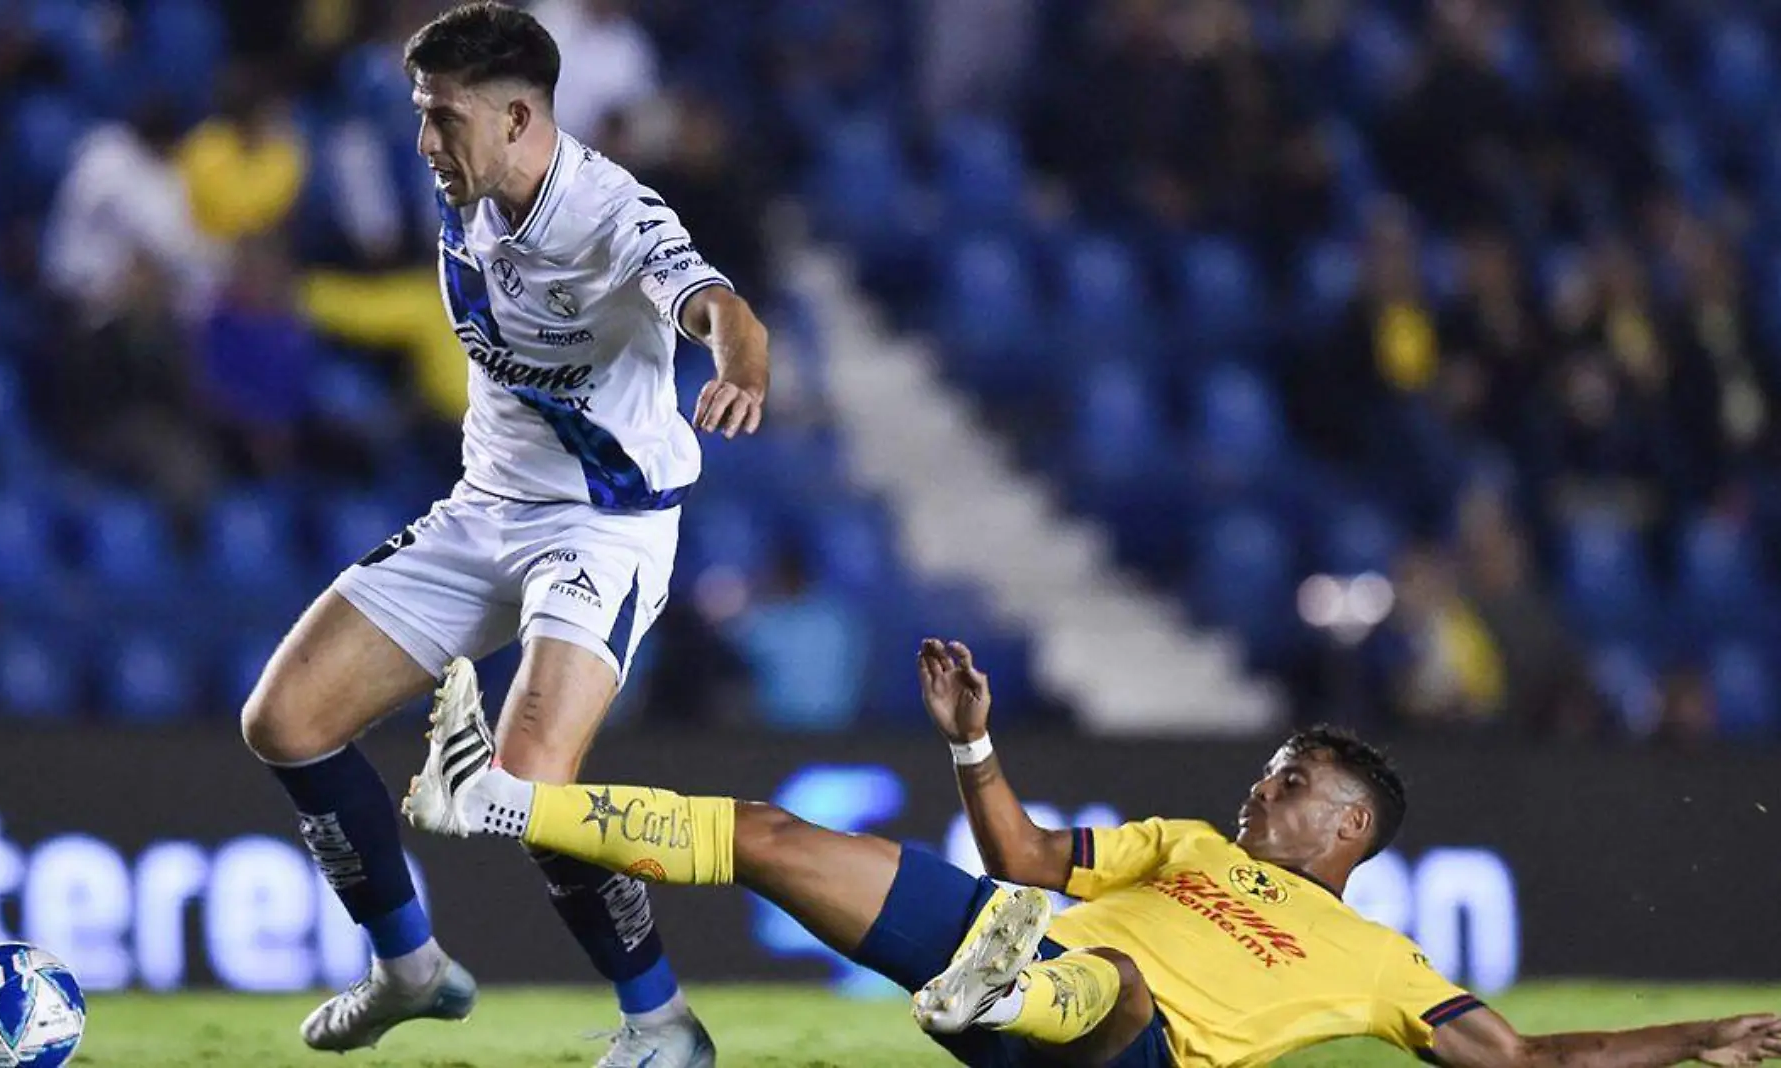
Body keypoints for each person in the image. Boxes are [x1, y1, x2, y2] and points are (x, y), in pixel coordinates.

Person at [403, 642, 1781, 1068]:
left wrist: (1708, 1032)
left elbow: (1528, 1065)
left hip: (1128, 1055)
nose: (1262, 788)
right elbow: (1017, 847)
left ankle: (1006, 984)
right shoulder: (1180, 844)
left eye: (1290, 783)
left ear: (1347, 827)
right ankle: (492, 803)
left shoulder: (1384, 961)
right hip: (1033, 961)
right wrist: (969, 743)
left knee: (1123, 997)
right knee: (771, 837)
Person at [236, 4, 769, 1065]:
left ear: (521, 115)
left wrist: (740, 364)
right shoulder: (470, 192)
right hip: (482, 512)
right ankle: (408, 969)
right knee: (284, 719)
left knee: (528, 787)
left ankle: (663, 1024)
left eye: (444, 118)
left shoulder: (611, 213)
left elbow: (716, 302)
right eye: (421, 116)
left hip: (601, 529)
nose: (427, 141)